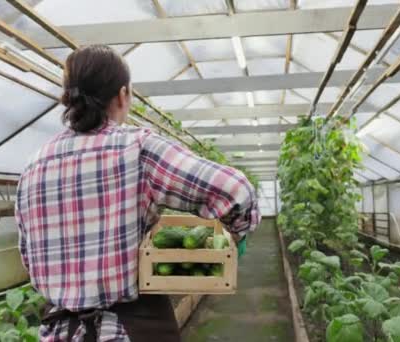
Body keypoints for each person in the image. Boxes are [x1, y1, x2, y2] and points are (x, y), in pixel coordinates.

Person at [14, 45, 261, 342]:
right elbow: (236, 191)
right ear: (122, 95)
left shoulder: (33, 165)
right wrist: (236, 234)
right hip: (125, 330)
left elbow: (28, 256)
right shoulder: (137, 149)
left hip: (60, 333)